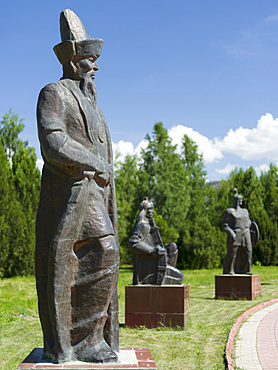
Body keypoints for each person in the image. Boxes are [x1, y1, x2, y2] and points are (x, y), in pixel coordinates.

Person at [35, 9, 119, 364]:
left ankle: (92, 337)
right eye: (89, 59)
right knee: (105, 250)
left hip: (96, 194)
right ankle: (83, 341)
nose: (95, 67)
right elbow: (53, 142)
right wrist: (93, 162)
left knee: (103, 254)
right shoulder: (54, 92)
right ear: (72, 58)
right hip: (73, 193)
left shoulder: (94, 105)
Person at [128, 197, 183, 285]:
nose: (152, 212)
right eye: (150, 209)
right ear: (145, 211)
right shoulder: (142, 225)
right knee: (179, 276)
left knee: (172, 247)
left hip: (155, 260)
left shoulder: (147, 224)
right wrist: (152, 250)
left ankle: (165, 269)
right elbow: (133, 242)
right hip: (149, 266)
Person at [222, 188, 252, 275]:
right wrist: (231, 233)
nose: (241, 202)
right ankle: (229, 270)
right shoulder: (229, 211)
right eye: (239, 200)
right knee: (232, 253)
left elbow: (249, 222)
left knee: (248, 251)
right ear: (236, 201)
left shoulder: (245, 211)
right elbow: (225, 225)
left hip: (246, 233)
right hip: (236, 233)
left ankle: (246, 270)